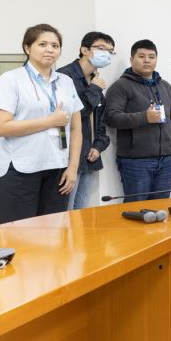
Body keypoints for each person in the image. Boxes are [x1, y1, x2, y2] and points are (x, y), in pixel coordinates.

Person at [0, 24, 83, 223]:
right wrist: (50, 121)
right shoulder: (11, 79)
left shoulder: (66, 82)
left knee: (53, 233)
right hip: (19, 169)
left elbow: (75, 128)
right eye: (42, 44)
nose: (50, 49)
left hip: (58, 169)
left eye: (55, 46)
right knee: (19, 234)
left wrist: (73, 167)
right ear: (27, 48)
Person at [105, 39, 171, 202]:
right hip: (136, 161)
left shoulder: (165, 86)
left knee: (161, 207)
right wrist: (144, 117)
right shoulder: (121, 86)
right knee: (136, 208)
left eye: (151, 57)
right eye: (141, 56)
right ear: (131, 59)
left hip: (165, 160)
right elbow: (111, 117)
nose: (147, 60)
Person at [57, 31, 115, 210]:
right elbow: (71, 115)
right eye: (101, 48)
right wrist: (95, 89)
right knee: (65, 211)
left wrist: (98, 146)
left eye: (110, 51)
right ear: (84, 49)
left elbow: (100, 120)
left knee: (81, 212)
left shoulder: (95, 79)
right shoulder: (64, 76)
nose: (106, 54)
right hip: (67, 157)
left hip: (89, 157)